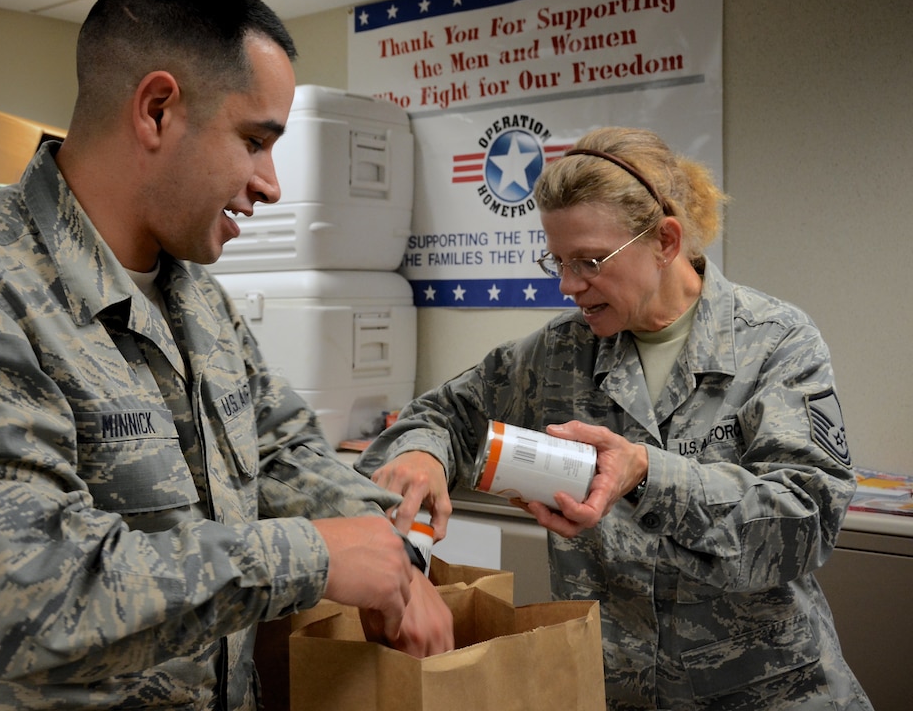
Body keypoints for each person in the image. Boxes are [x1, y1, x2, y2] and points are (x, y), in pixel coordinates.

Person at [0, 0, 453, 709]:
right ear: (158, 110)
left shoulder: (200, 305)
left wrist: (392, 544)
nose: (272, 183)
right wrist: (313, 557)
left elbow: (284, 455)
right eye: (255, 140)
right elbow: (18, 598)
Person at [357, 126, 873, 710]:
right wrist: (422, 452)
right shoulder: (556, 355)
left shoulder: (776, 343)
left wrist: (646, 473)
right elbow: (443, 413)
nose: (568, 285)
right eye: (556, 260)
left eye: (589, 261)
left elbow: (804, 523)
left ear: (666, 240)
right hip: (613, 692)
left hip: (766, 692)